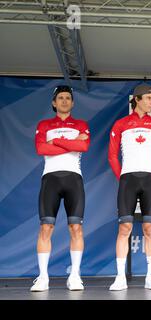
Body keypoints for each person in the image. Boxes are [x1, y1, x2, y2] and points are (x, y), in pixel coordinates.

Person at [108, 83, 151, 291]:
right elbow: (113, 155)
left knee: (149, 227)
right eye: (149, 98)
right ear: (137, 99)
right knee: (124, 228)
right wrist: (122, 176)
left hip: (149, 180)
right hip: (127, 180)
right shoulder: (121, 124)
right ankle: (120, 277)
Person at [31, 85, 90, 292]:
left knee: (76, 228)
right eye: (60, 98)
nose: (64, 101)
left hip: (74, 179)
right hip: (50, 180)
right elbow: (41, 148)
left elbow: (83, 147)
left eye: (68, 98)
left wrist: (55, 140)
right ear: (54, 102)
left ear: (72, 103)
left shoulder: (81, 124)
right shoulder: (44, 124)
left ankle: (74, 276)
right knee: (46, 228)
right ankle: (43, 277)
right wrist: (71, 142)